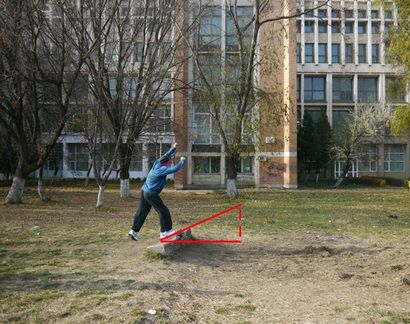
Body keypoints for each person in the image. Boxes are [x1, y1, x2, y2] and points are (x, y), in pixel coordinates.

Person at [129, 142, 186, 241]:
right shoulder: (162, 169)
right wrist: (182, 161)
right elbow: (175, 169)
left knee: (142, 211)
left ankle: (134, 231)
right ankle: (165, 232)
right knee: (163, 211)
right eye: (169, 163)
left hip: (144, 190)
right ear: (166, 163)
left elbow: (166, 155)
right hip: (150, 193)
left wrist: (173, 148)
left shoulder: (157, 163)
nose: (170, 165)